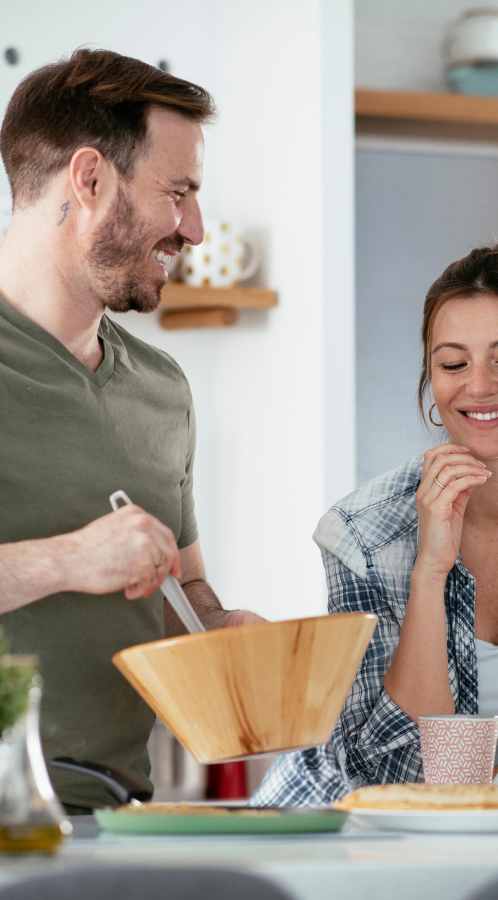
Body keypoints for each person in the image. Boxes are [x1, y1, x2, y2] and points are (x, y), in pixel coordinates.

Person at [0, 48, 261, 813]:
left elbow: (181, 587)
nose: (197, 229)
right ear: (89, 179)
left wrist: (225, 637)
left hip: (117, 818)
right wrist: (68, 559)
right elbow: (90, 562)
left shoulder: (161, 390)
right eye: (177, 192)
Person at [251, 240, 498, 806]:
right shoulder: (363, 535)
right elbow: (386, 774)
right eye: (453, 364)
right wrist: (430, 572)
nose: (479, 386)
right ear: (432, 380)